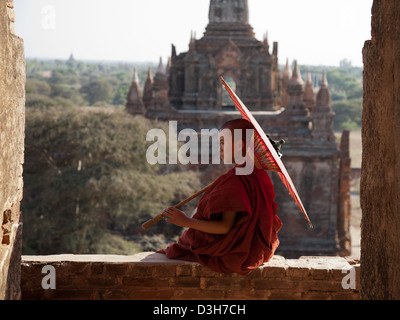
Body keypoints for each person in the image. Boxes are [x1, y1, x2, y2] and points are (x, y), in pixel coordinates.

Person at [157, 119, 282, 275]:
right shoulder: (257, 175)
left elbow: (224, 227)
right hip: (256, 251)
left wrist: (186, 221)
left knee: (183, 246)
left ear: (240, 146)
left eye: (223, 143)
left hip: (233, 254)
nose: (219, 149)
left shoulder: (236, 180)